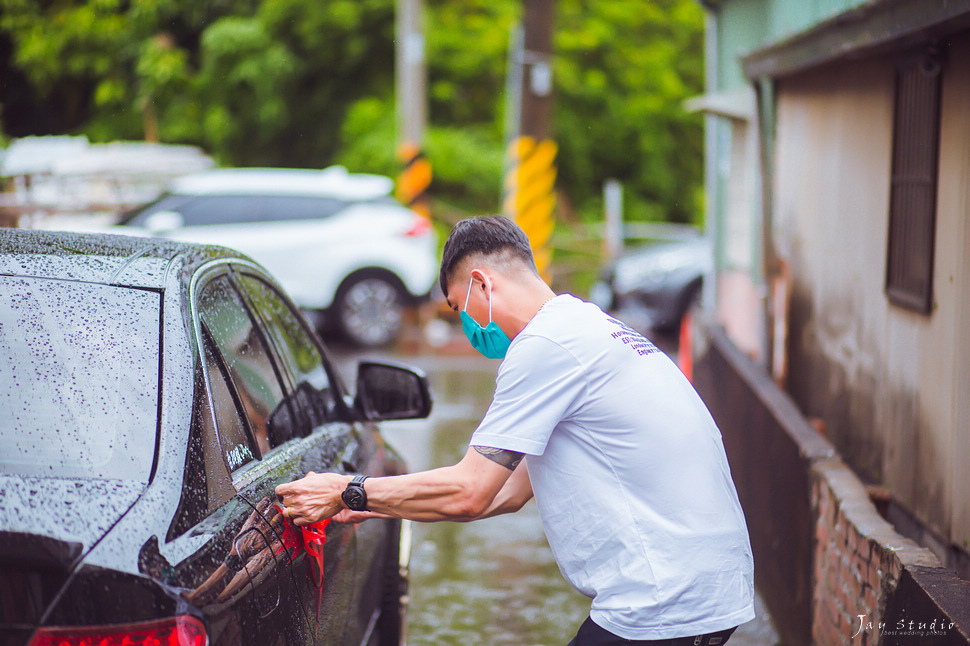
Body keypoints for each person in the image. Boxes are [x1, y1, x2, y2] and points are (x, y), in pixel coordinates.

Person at [276, 215, 755, 645]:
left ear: (481, 285)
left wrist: (346, 490)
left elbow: (471, 491)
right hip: (702, 584)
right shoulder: (585, 327)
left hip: (665, 597)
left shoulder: (545, 346)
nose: (465, 325)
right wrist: (376, 506)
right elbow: (508, 491)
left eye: (457, 307)